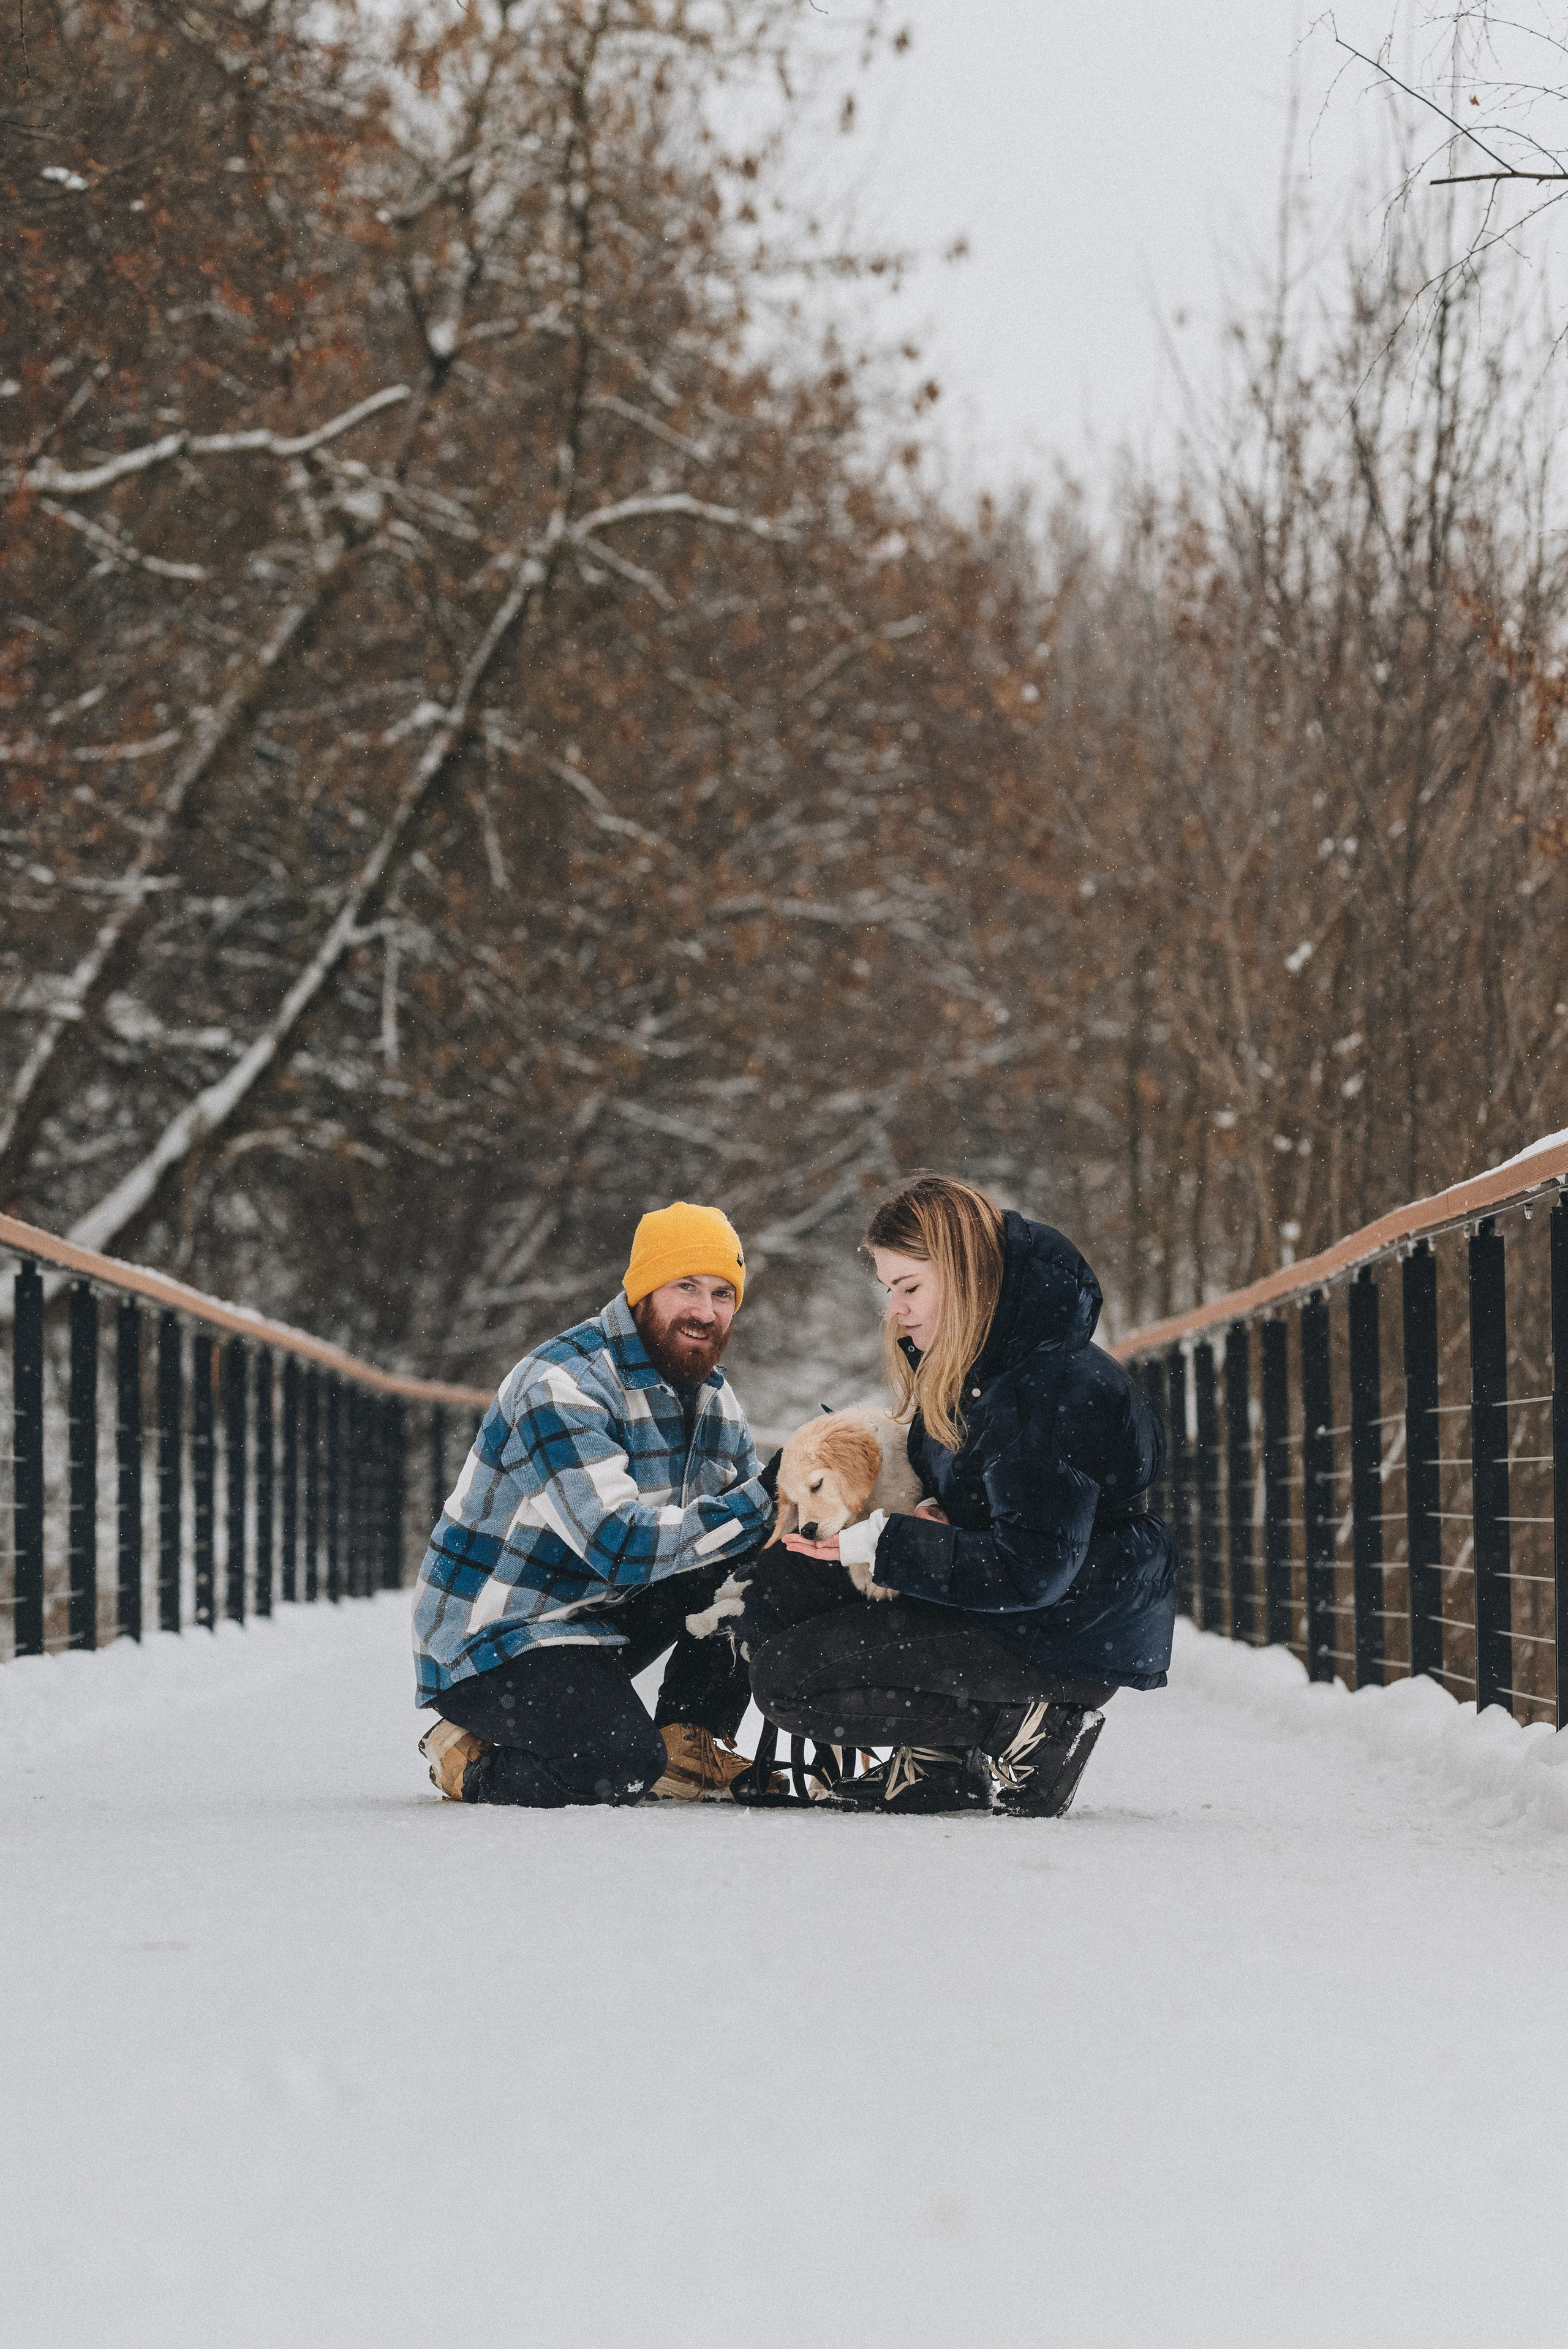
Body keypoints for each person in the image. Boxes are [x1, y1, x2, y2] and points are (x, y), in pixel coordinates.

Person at [736, 1175, 1175, 1816]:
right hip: (1004, 1608)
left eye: (910, 1287)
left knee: (788, 1682)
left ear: (965, 1274)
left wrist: (890, 1543)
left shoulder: (1045, 1386)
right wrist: (926, 1512)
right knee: (781, 1582)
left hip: (1059, 1633)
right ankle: (940, 1765)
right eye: (889, 1290)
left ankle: (1031, 1729)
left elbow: (1032, 1571)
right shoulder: (978, 1362)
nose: (896, 1309)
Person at [412, 1201, 777, 1806]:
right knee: (619, 1765)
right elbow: (618, 1544)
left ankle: (691, 1736)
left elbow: (749, 1529)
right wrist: (766, 1497)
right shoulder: (562, 1384)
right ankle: (467, 1757)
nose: (705, 1311)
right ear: (643, 1291)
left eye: (722, 1294)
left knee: (751, 1555)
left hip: (599, 1614)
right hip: (499, 1636)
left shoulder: (714, 1398)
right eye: (685, 1286)